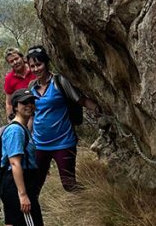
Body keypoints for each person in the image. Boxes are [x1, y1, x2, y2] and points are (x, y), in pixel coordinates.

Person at [25, 45, 100, 192]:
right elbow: (32, 115)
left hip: (63, 142)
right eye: (32, 66)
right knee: (34, 186)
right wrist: (28, 138)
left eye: (38, 64)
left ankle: (92, 199)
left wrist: (98, 109)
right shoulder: (32, 86)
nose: (36, 69)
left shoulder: (59, 82)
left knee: (69, 185)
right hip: (40, 144)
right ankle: (32, 215)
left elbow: (81, 100)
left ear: (46, 63)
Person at [0, 88, 45, 226]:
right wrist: (23, 194)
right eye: (24, 102)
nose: (29, 105)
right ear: (15, 106)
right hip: (18, 185)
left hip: (11, 185)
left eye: (31, 102)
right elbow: (15, 163)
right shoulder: (16, 130)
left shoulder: (21, 128)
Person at [3, 48, 32, 120]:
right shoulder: (9, 79)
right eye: (11, 61)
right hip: (26, 115)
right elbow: (9, 103)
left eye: (16, 58)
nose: (15, 62)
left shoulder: (34, 68)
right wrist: (11, 121)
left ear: (22, 57)